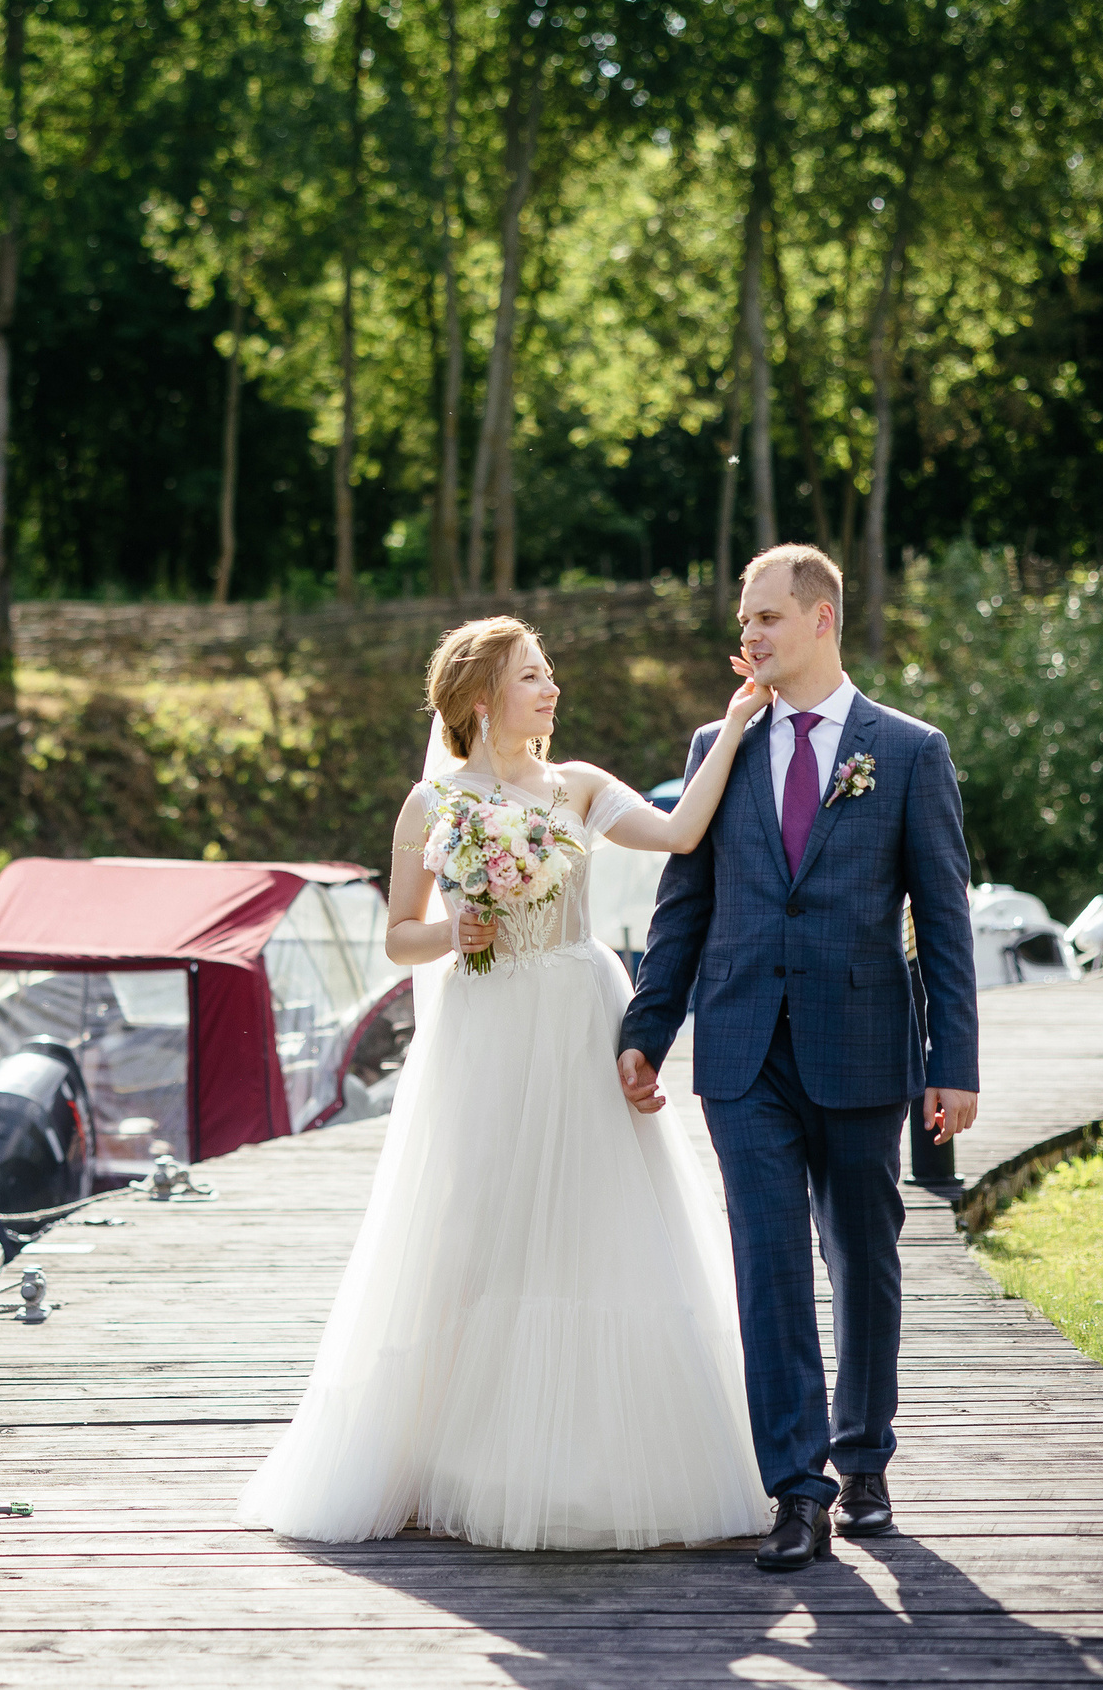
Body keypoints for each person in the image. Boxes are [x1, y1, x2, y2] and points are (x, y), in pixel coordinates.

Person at [237, 614, 775, 1550]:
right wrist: (458, 934)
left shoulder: (581, 786)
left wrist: (734, 723)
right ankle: (461, 1456)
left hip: (577, 1013)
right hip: (486, 1031)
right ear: (484, 699)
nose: (553, 687)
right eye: (535, 674)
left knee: (594, 1224)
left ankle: (592, 1460)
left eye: (550, 671)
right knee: (479, 1230)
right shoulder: (430, 807)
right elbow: (399, 934)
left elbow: (685, 832)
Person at [617, 544, 980, 1572]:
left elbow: (943, 923)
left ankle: (863, 1457)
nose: (749, 637)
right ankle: (796, 1487)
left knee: (861, 1255)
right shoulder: (713, 744)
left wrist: (953, 1060)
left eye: (767, 618)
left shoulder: (906, 752)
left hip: (864, 1045)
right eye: (743, 620)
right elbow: (679, 906)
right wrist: (645, 1030)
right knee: (767, 1264)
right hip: (739, 1049)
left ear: (821, 619)